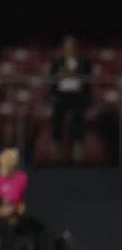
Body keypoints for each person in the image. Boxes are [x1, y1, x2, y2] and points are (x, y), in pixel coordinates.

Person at [49, 35, 91, 163]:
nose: (69, 49)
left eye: (71, 46)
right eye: (67, 46)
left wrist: (73, 73)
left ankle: (77, 150)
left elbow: (87, 77)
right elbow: (52, 77)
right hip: (61, 96)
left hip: (77, 95)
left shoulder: (83, 62)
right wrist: (61, 74)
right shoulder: (57, 62)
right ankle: (56, 150)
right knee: (57, 117)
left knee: (78, 118)